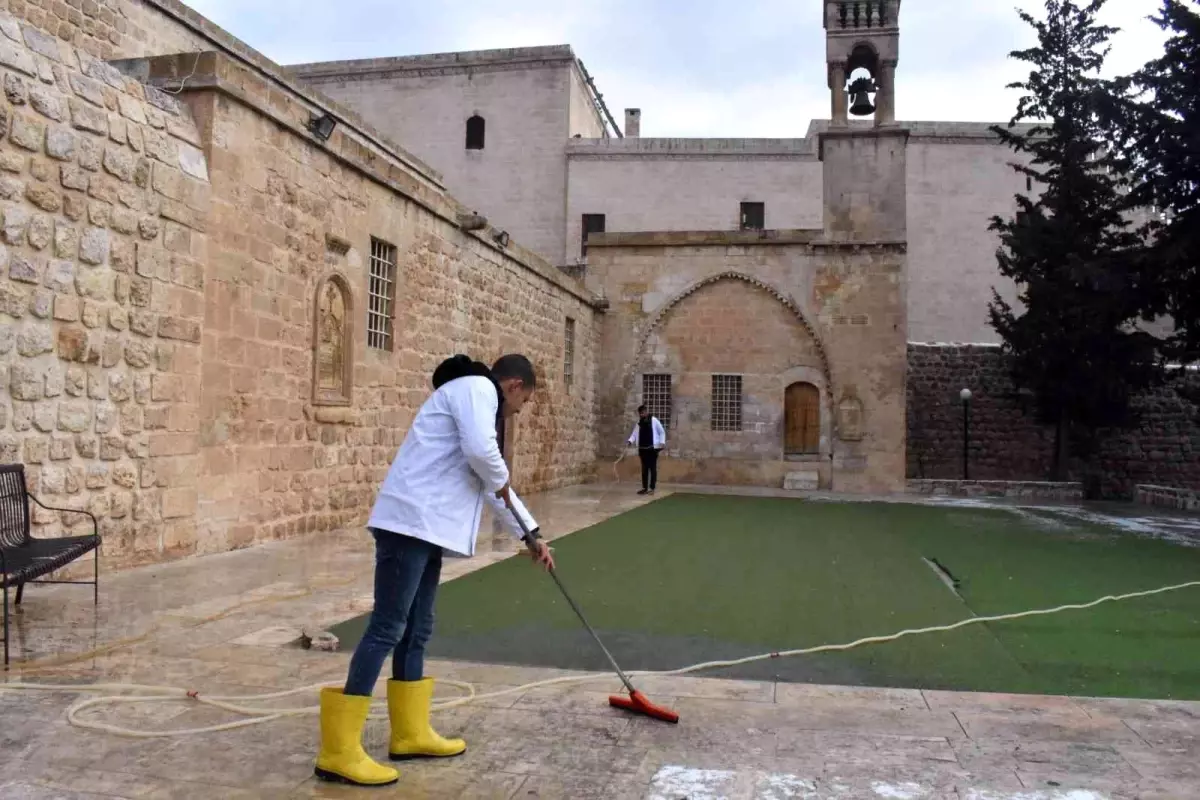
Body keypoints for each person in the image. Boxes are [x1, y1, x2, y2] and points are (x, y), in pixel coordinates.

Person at [314, 353, 555, 788]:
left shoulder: (473, 400)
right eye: (523, 403)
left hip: (426, 531)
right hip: (409, 524)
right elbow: (484, 457)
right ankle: (339, 751)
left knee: (417, 628)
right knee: (387, 627)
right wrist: (502, 480)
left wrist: (531, 535)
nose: (517, 412)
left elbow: (490, 484)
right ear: (515, 385)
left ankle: (409, 734)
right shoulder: (479, 389)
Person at [626, 404, 666, 495]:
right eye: (640, 413)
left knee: (652, 468)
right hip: (642, 449)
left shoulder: (654, 420)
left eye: (643, 413)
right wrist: (630, 441)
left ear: (646, 412)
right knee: (644, 469)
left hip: (652, 449)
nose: (641, 415)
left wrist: (662, 442)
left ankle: (652, 488)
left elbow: (661, 431)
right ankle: (644, 488)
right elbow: (634, 434)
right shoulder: (639, 423)